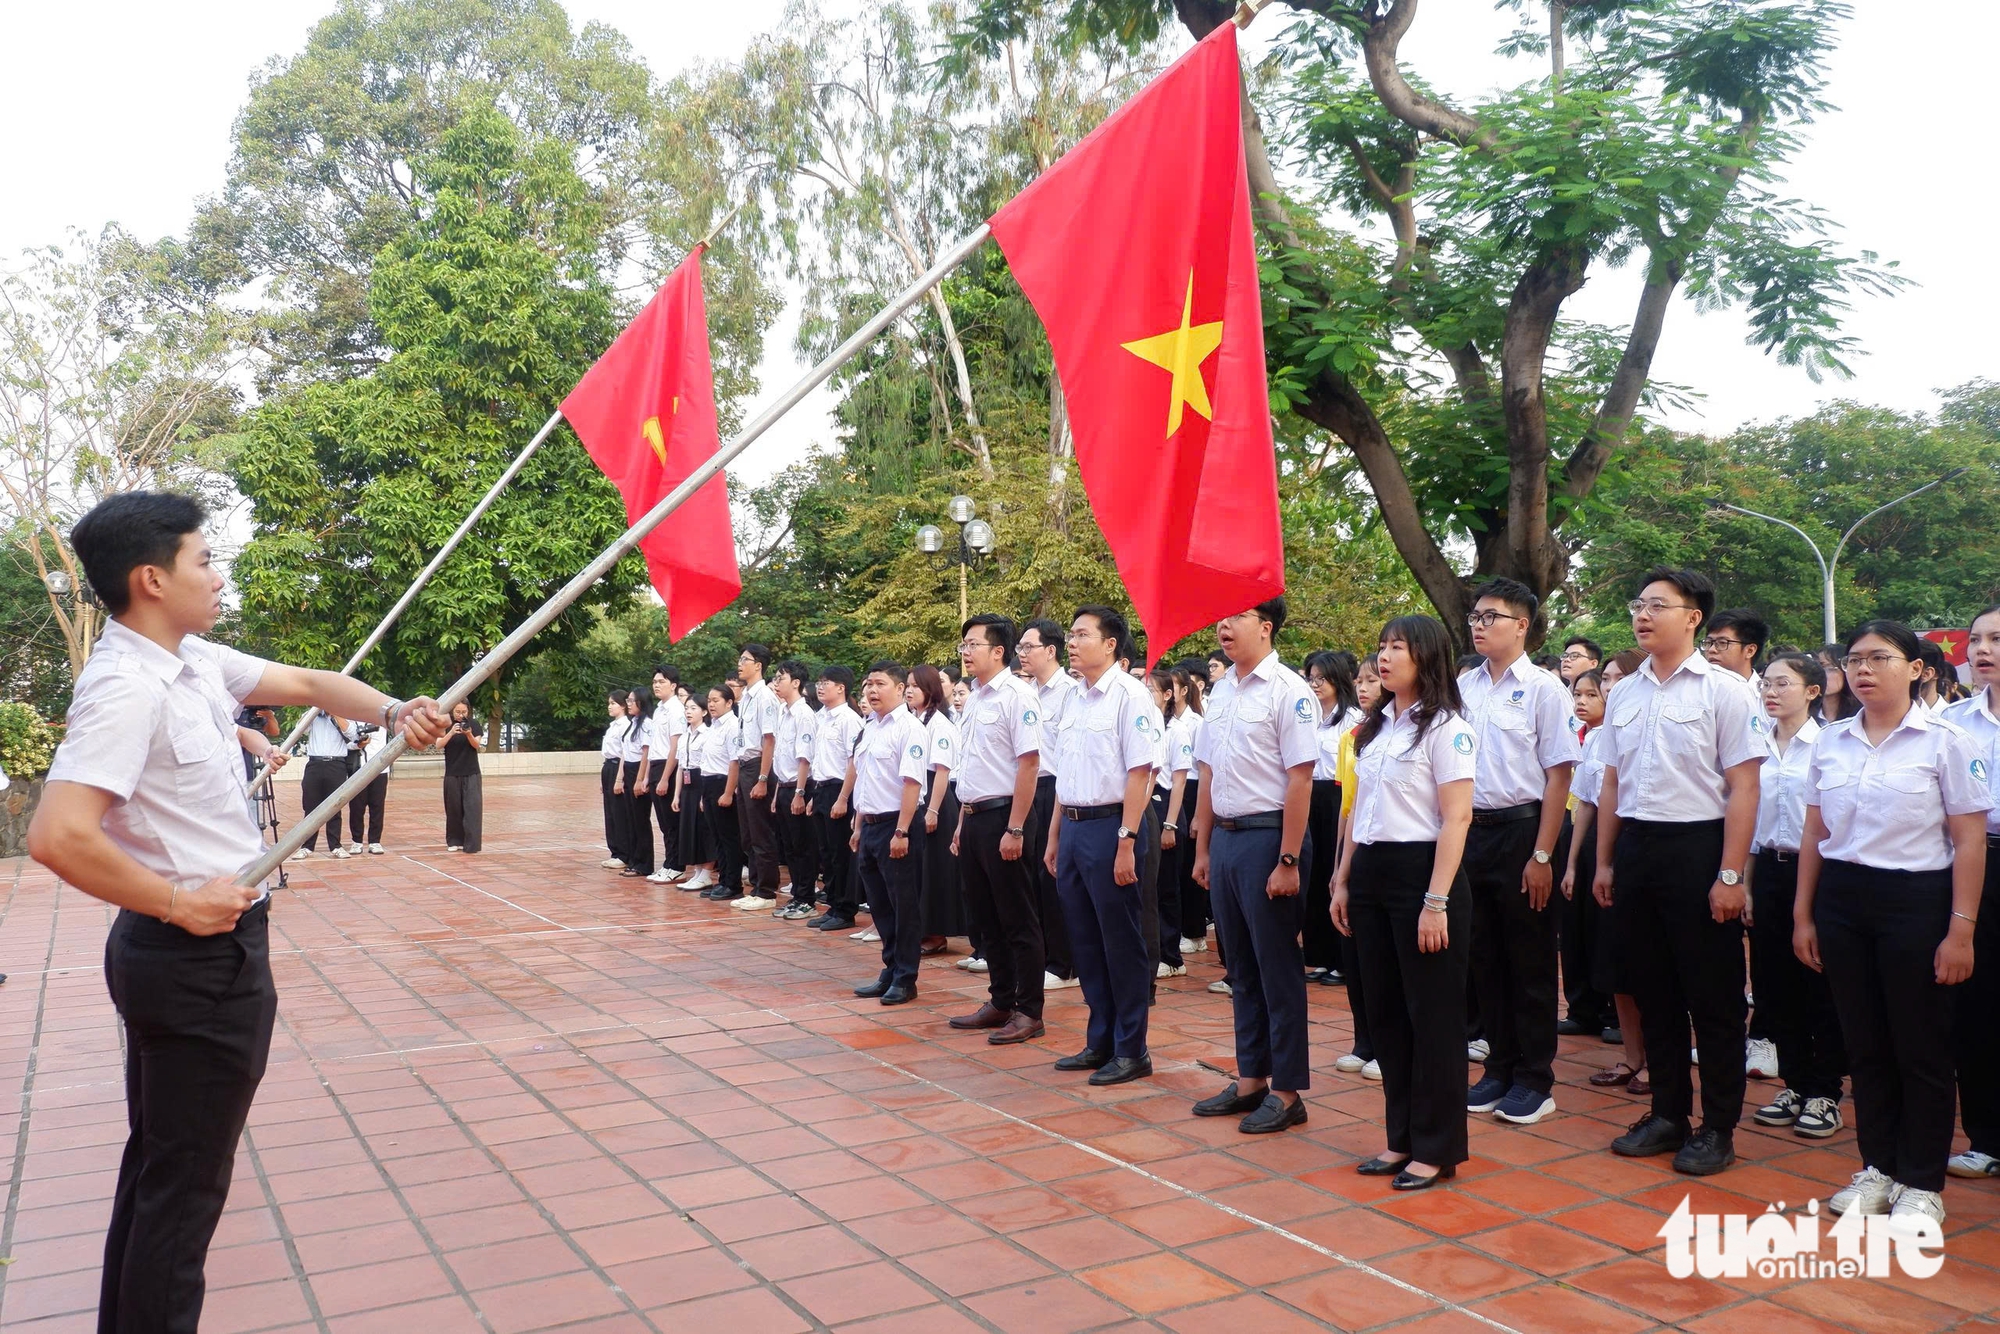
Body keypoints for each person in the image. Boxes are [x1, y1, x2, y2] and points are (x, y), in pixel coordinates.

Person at [26, 491, 448, 1333]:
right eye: (205, 560)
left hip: (195, 948)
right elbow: (57, 835)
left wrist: (395, 710)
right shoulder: (125, 687)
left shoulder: (187, 660)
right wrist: (178, 901)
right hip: (188, 952)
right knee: (184, 1196)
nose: (220, 577)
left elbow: (305, 683)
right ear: (152, 578)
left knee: (163, 1172)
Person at [1797, 619, 1989, 1235]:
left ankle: (1922, 1181)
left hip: (1918, 900)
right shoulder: (1830, 741)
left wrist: (1961, 929)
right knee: (1866, 1042)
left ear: (1917, 668)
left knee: (1922, 1045)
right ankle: (1877, 1166)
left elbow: (1969, 839)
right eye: (1854, 659)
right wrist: (1804, 913)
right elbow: (1814, 834)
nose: (1863, 669)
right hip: (1844, 898)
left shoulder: (1947, 740)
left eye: (1880, 657)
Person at [1593, 568, 1764, 1176]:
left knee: (1712, 996)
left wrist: (1730, 873)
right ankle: (1668, 1113)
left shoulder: (1725, 690)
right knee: (1653, 989)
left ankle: (1718, 1127)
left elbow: (1745, 785)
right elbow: (1612, 780)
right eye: (1638, 604)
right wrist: (1606, 861)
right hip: (1638, 847)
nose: (1642, 615)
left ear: (1693, 617)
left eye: (1657, 605)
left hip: (1700, 847)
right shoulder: (1627, 692)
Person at [1332, 615, 1477, 1189]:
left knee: (1433, 1016)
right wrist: (1343, 879)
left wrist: (1436, 899)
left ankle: (1437, 1147)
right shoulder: (1375, 728)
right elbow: (1358, 811)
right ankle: (1401, 1139)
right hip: (1370, 871)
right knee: (1386, 1014)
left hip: (1424, 874)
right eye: (1382, 646)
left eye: (1399, 647)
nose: (1385, 657)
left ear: (1428, 655)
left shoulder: (1446, 727)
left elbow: (1457, 817)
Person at [1188, 598, 1316, 1128]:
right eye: (1219, 616)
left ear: (1265, 628)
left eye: (1235, 617)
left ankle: (1286, 1091)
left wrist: (1288, 859)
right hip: (1227, 839)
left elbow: (1300, 778)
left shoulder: (1291, 692)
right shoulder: (1220, 691)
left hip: (1270, 840)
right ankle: (1251, 1078)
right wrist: (1202, 846)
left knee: (1276, 968)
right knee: (1238, 965)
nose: (1223, 625)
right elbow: (1208, 769)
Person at [1460, 579, 1581, 1127]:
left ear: (1522, 625)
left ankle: (1535, 1078)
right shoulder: (1464, 686)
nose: (1479, 624)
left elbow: (1558, 776)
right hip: (1470, 833)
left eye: (1491, 616)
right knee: (1484, 958)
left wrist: (1542, 855)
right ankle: (1499, 1067)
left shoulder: (1544, 690)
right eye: (1475, 616)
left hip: (1523, 831)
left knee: (1529, 960)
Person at [1044, 606, 1162, 1086]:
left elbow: (1142, 773)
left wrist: (1126, 841)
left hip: (1114, 825)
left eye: (1081, 635)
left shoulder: (1131, 697)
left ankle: (1132, 1048)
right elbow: (1063, 775)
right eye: (1070, 635)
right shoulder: (1074, 698)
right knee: (1086, 940)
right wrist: (1055, 836)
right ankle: (1101, 1040)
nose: (1071, 642)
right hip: (1073, 827)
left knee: (1121, 941)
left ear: (1111, 644)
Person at [1747, 653, 1846, 1138]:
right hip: (1767, 868)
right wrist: (1741, 882)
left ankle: (1826, 1091)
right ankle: (1795, 1082)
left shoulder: (1831, 744)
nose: (1770, 691)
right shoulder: (1753, 743)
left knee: (1819, 984)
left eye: (1782, 683)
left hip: (1821, 874)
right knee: (1774, 983)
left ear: (1812, 691)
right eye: (1766, 683)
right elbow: (1745, 820)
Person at [948, 613, 1047, 1044]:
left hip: (1005, 818)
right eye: (963, 646)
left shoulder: (1018, 696)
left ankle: (1030, 1011)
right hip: (972, 818)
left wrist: (1017, 828)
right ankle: (1001, 999)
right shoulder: (975, 700)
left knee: (1018, 919)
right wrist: (958, 823)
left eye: (973, 644)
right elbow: (970, 768)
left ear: (998, 651)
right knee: (985, 918)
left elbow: (1029, 764)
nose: (966, 652)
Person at [1566, 669, 1648, 1093]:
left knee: (1648, 964)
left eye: (1617, 677)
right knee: (1614, 959)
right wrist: (1577, 863)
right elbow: (1588, 802)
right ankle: (1633, 1058)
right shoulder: (1600, 736)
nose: (1612, 686)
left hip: (1646, 842)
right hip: (1605, 849)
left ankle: (1657, 1060)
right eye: (1609, 680)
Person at [1942, 605, 2000, 1180]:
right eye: (1976, 640)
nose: (1981, 650)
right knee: (1978, 1003)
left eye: (1997, 639)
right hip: (1975, 858)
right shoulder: (1956, 723)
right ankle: (1987, 1136)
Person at [843, 662, 929, 1004]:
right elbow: (865, 780)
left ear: (899, 689)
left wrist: (902, 831)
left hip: (898, 826)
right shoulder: (869, 728)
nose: (872, 691)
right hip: (871, 827)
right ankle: (890, 968)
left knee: (903, 905)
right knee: (879, 906)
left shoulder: (909, 728)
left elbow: (912, 782)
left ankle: (906, 977)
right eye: (868, 684)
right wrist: (859, 824)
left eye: (879, 684)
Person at [1018, 619, 1080, 992]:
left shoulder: (1070, 693)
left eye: (1028, 647)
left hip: (1057, 789)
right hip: (1030, 787)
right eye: (1020, 649)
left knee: (1052, 876)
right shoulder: (1028, 694)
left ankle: (1065, 963)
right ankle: (1043, 955)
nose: (1022, 654)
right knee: (1031, 877)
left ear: (1050, 651)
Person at [1303, 651, 1361, 986]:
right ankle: (1319, 954)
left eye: (1321, 678)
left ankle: (1341, 956)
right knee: (1314, 874)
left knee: (1335, 870)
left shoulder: (1352, 718)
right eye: (1311, 678)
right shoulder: (1309, 716)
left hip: (1338, 798)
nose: (1315, 684)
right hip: (1311, 795)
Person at [907, 664, 965, 952]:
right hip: (920, 795)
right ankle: (921, 929)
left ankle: (936, 934)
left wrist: (932, 811)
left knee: (935, 871)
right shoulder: (915, 720)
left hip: (937, 802)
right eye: (907, 685)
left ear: (929, 690)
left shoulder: (940, 725)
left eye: (915, 686)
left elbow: (942, 771)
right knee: (920, 869)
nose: (908, 691)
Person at [807, 665, 865, 931]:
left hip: (840, 789)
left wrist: (843, 798)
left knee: (840, 853)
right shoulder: (822, 717)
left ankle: (845, 909)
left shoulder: (849, 720)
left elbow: (852, 762)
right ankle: (832, 904)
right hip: (822, 788)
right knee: (826, 853)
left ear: (841, 688)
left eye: (826, 682)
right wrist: (814, 795)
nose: (820, 687)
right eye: (819, 682)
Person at [1147, 667, 1194, 979]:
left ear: (1168, 695)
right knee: (1147, 886)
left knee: (1166, 887)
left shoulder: (1176, 731)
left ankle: (1172, 956)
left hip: (1167, 808)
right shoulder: (1144, 726)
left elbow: (1178, 782)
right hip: (1146, 803)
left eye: (1151, 690)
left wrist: (1170, 825)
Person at [736, 644, 784, 906]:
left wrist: (763, 778)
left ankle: (766, 890)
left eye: (746, 659)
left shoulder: (765, 697)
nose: (740, 663)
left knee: (761, 831)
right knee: (747, 832)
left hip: (757, 766)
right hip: (745, 765)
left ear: (759, 666)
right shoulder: (746, 696)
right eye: (740, 659)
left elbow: (769, 739)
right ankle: (755, 887)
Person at [771, 660, 820, 916]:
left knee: (803, 846)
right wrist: (779, 791)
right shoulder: (783, 711)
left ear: (796, 682)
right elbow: (782, 755)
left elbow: (805, 757)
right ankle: (797, 896)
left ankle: (807, 899)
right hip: (784, 786)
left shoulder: (804, 714)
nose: (776, 682)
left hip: (800, 787)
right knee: (789, 847)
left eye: (781, 678)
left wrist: (800, 792)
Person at [1170, 667, 1212, 963]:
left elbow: (1202, 767)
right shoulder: (1167, 722)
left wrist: (1198, 813)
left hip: (1194, 788)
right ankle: (1185, 928)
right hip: (1175, 788)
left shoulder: (1196, 723)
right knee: (1176, 866)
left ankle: (1196, 932)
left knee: (1191, 864)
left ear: (1184, 690)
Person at [695, 685, 745, 900]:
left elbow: (735, 761)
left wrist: (728, 792)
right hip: (707, 783)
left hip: (723, 783)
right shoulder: (713, 725)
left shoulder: (732, 726)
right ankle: (723, 880)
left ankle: (733, 884)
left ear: (729, 703)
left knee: (728, 837)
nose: (711, 704)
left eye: (716, 700)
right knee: (716, 837)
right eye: (709, 700)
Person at [643, 665, 685, 884]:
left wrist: (665, 777)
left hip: (669, 766)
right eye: (655, 682)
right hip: (657, 764)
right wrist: (648, 776)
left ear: (673, 685)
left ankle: (676, 865)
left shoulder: (676, 710)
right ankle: (669, 862)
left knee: (672, 821)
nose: (657, 686)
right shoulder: (659, 709)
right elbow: (653, 746)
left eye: (661, 682)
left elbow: (675, 746)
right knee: (663, 821)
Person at [297, 709, 356, 859]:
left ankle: (335, 845)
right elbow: (300, 728)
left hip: (336, 764)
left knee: (334, 806)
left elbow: (352, 733)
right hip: (314, 763)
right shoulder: (313, 717)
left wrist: (335, 713)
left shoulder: (342, 715)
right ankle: (307, 846)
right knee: (310, 806)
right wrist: (314, 708)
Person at [675, 696, 716, 891]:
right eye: (686, 708)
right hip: (687, 784)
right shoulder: (684, 737)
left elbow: (707, 766)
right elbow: (680, 767)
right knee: (690, 829)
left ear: (704, 712)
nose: (689, 712)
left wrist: (703, 795)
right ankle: (698, 872)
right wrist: (676, 795)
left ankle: (707, 873)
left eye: (693, 708)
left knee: (704, 828)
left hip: (702, 782)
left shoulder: (708, 734)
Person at [618, 687, 654, 878]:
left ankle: (644, 863)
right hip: (629, 770)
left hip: (639, 770)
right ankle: (634, 860)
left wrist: (640, 779)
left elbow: (646, 753)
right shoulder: (633, 723)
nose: (629, 704)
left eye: (632, 701)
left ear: (642, 702)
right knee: (631, 819)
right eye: (628, 701)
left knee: (640, 819)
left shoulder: (647, 724)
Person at [441, 701, 484, 854]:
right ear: (452, 711)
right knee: (453, 808)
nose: (460, 715)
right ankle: (454, 840)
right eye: (457, 711)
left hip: (471, 772)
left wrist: (468, 734)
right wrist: (451, 732)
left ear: (468, 711)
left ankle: (471, 844)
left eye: (464, 711)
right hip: (452, 773)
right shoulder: (446, 724)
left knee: (472, 808)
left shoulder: (474, 724)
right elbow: (439, 744)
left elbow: (476, 745)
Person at [346, 721, 390, 854]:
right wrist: (358, 744)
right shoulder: (352, 722)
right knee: (356, 807)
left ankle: (375, 841)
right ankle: (357, 841)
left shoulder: (382, 722)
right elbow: (345, 743)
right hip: (358, 769)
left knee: (377, 806)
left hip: (380, 769)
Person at [599, 692, 631, 871]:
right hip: (608, 767)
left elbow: (624, 753)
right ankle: (615, 851)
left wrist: (619, 778)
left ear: (623, 705)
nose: (610, 706)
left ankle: (623, 853)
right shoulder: (612, 726)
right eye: (609, 703)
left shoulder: (625, 725)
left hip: (619, 767)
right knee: (610, 812)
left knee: (619, 812)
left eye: (613, 703)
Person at [1703, 609, 1769, 694]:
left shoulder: (1766, 697)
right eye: (1708, 643)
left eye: (1722, 643)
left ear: (1750, 651)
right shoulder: (1697, 691)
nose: (1712, 650)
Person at [1817, 644, 1859, 721]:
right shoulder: (1806, 714)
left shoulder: (1861, 715)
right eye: (1818, 667)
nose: (1822, 674)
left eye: (1830, 668)